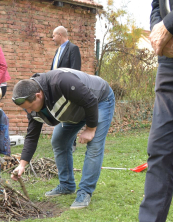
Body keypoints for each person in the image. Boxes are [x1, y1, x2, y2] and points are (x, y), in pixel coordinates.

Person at [102, 0, 173, 222]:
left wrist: (169, 26)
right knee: (160, 148)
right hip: (170, 62)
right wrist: (161, 35)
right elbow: (158, 4)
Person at [11, 69, 115, 209]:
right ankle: (66, 185)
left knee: (94, 145)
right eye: (26, 109)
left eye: (29, 107)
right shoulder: (31, 104)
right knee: (59, 141)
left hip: (99, 100)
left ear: (38, 95)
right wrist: (22, 164)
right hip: (76, 109)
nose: (29, 112)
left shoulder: (61, 81)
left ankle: (85, 191)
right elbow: (32, 136)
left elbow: (90, 100)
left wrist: (90, 129)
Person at [51, 26, 81, 153]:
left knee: (69, 113)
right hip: (56, 87)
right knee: (59, 112)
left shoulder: (73, 49)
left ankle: (71, 142)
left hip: (68, 86)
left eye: (53, 36)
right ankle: (62, 139)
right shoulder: (57, 51)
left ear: (60, 34)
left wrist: (70, 87)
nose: (53, 38)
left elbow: (75, 69)